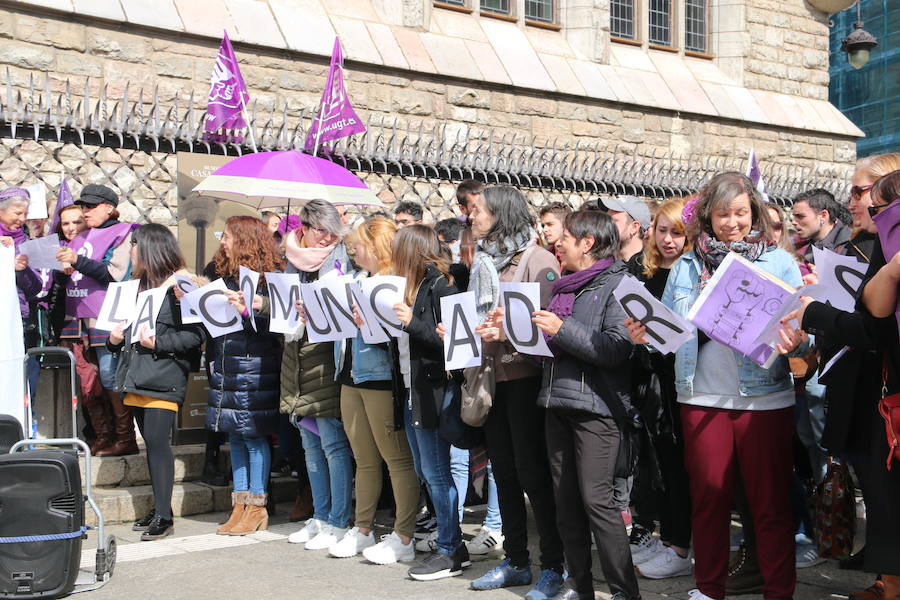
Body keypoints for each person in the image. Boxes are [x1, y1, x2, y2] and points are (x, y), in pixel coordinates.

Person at [627, 172, 805, 600]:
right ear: (708, 216)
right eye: (723, 214)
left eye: (741, 213)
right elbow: (667, 328)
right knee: (708, 498)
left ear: (754, 212)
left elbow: (801, 322)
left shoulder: (777, 261)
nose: (732, 223)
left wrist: (797, 335)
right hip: (700, 396)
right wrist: (645, 333)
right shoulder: (687, 264)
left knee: (768, 504)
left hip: (763, 397)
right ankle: (708, 588)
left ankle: (779, 590)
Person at [487, 210, 640, 599]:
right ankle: (579, 585)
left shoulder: (620, 284)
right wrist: (513, 332)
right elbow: (547, 353)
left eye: (565, 238)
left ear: (587, 243)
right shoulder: (564, 287)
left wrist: (561, 328)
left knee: (597, 502)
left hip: (597, 410)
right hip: (555, 402)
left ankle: (625, 591)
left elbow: (615, 349)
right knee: (565, 503)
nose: (557, 243)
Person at [786, 168, 900, 600]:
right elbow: (872, 309)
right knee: (879, 496)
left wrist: (815, 312)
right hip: (868, 391)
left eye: (864, 191)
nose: (858, 202)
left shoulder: (886, 245)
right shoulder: (874, 247)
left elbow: (876, 328)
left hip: (884, 391)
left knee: (888, 498)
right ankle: (886, 580)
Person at [465, 186, 565, 600]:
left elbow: (548, 324)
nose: (472, 217)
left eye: (479, 211)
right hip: (492, 381)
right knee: (502, 472)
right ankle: (517, 560)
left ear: (501, 215)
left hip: (526, 381)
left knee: (533, 474)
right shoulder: (483, 261)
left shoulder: (538, 260)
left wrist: (504, 332)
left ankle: (554, 566)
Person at [324, 217, 419, 565]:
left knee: (396, 459)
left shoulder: (394, 283)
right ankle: (362, 529)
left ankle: (404, 534)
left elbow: (402, 335)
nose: (353, 250)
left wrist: (371, 323)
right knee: (363, 459)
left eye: (359, 244)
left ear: (377, 247)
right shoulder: (357, 280)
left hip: (380, 378)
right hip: (350, 375)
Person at [107, 225, 204, 540]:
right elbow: (123, 334)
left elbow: (194, 336)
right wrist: (113, 339)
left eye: (133, 245)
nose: (130, 251)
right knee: (149, 444)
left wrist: (157, 344)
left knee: (158, 442)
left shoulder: (182, 286)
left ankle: (164, 515)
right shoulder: (135, 286)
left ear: (149, 247)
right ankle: (161, 506)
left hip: (165, 376)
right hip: (136, 375)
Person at [386, 224, 468, 580]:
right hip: (410, 389)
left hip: (432, 391)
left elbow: (453, 344)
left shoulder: (441, 284)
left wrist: (411, 323)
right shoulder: (413, 285)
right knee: (424, 470)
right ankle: (452, 544)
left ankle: (450, 548)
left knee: (437, 473)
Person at [625, 198, 695, 580]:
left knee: (680, 465)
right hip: (650, 377)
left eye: (677, 232)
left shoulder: (692, 270)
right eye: (662, 230)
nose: (668, 240)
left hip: (682, 380)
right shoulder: (642, 269)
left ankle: (679, 543)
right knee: (662, 464)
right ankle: (671, 540)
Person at [281, 200, 354, 550]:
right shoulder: (290, 260)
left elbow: (349, 312)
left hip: (328, 358)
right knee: (310, 446)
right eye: (320, 230)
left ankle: (338, 520)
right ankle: (321, 515)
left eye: (331, 231)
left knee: (333, 444)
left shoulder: (343, 260)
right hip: (296, 358)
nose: (326, 238)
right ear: (304, 228)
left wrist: (319, 311)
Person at [207, 215, 282, 536]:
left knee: (253, 435)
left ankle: (257, 506)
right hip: (228, 364)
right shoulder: (227, 276)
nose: (222, 241)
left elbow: (275, 328)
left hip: (255, 368)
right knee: (234, 436)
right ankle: (238, 504)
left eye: (227, 236)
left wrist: (248, 311)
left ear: (244, 240)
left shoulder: (268, 280)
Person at [56, 184, 138, 457]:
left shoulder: (124, 232)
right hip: (75, 315)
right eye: (84, 206)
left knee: (109, 375)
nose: (86, 211)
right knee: (87, 379)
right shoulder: (79, 235)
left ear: (109, 207)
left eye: (91, 206)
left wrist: (77, 260)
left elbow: (115, 274)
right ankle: (103, 436)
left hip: (106, 315)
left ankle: (125, 438)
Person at [2, 188, 43, 414]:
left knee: (24, 373)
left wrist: (21, 271)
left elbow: (35, 287)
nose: (22, 219)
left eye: (25, 213)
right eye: (17, 213)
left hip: (19, 317)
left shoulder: (27, 243)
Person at [790, 189, 851, 263]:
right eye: (794, 216)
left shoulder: (849, 247)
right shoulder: (795, 245)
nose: (794, 222)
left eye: (800, 216)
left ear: (823, 215)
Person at [598, 196, 652, 263]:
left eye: (613, 221)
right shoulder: (602, 264)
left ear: (634, 227)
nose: (606, 224)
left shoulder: (650, 269)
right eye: (606, 220)